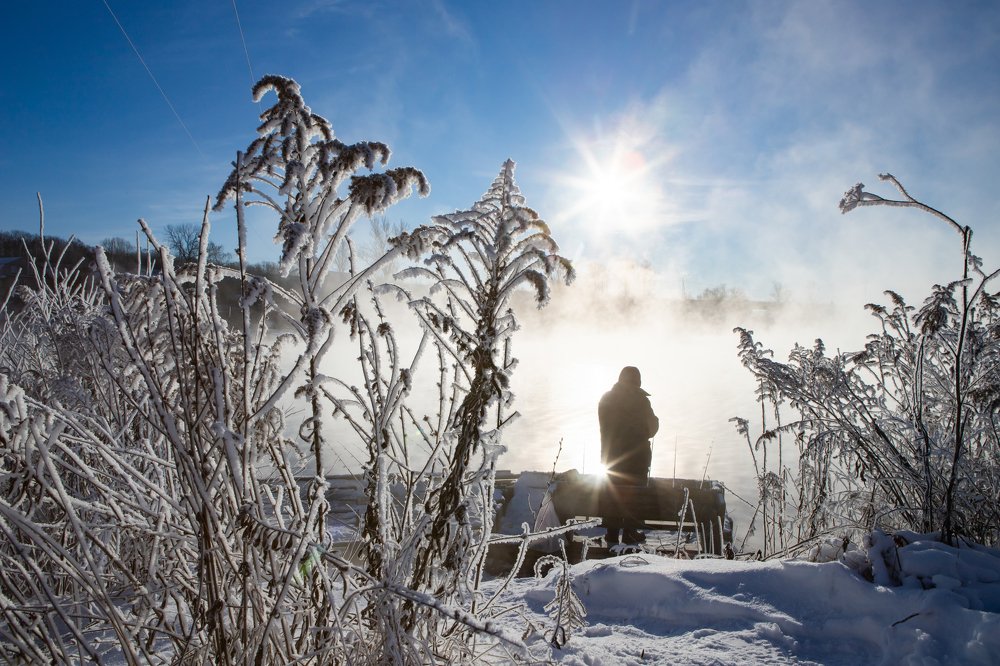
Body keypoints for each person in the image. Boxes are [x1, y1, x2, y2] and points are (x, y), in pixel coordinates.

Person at [598, 366, 659, 544]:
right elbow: (651, 429)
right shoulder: (641, 401)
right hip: (637, 460)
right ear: (638, 381)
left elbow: (605, 428)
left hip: (611, 459)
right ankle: (630, 532)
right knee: (635, 495)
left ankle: (611, 533)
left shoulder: (606, 399)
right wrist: (655, 422)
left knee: (612, 493)